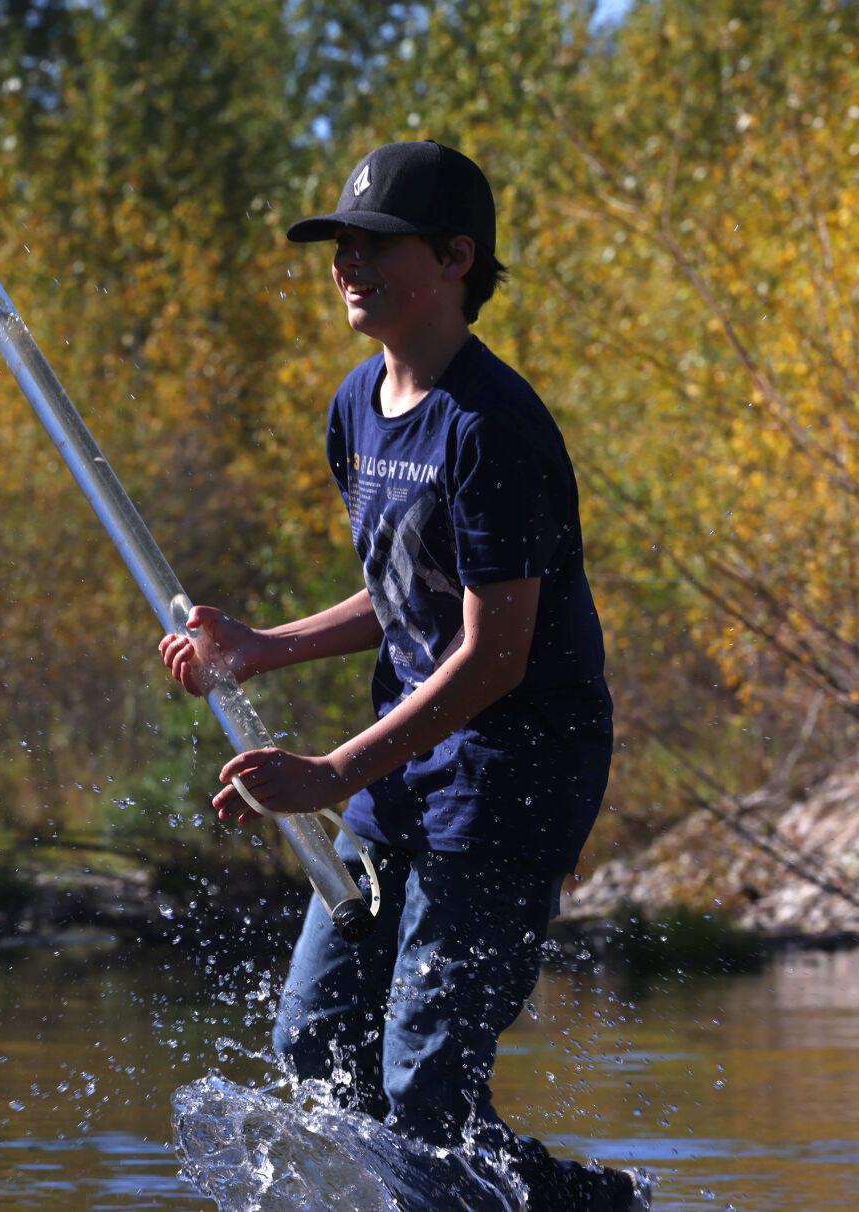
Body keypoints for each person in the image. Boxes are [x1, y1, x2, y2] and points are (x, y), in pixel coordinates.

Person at [158, 141, 650, 1210]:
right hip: (408, 766)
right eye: (340, 245)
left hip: (512, 778)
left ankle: (593, 1208)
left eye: (377, 245)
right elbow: (407, 595)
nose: (349, 263)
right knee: (316, 1040)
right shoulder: (356, 407)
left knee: (425, 1091)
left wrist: (331, 770)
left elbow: (494, 654)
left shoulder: (492, 428)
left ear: (457, 257)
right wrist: (261, 645)